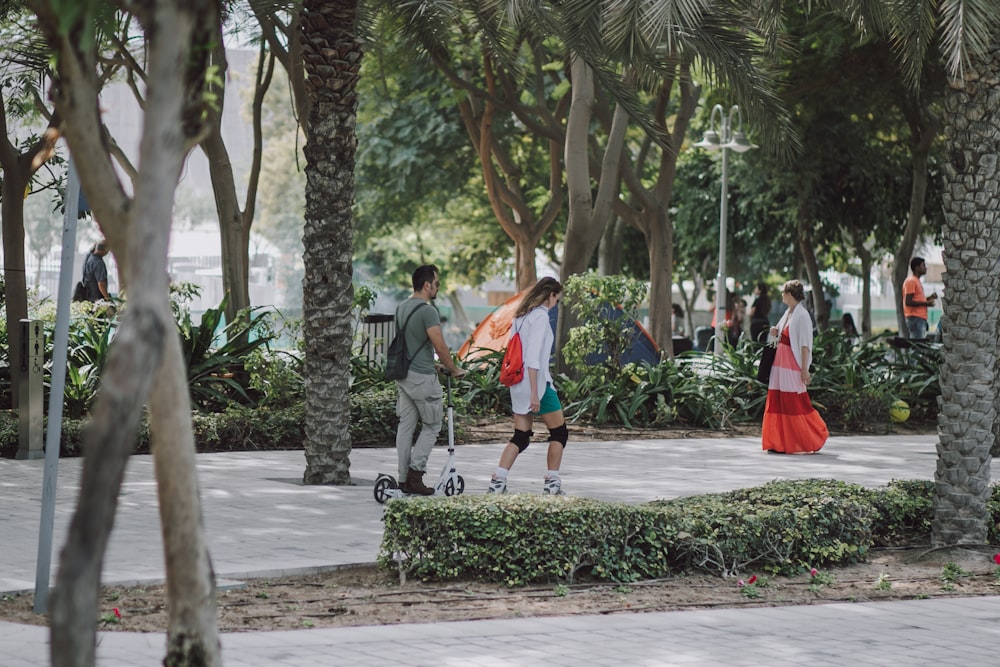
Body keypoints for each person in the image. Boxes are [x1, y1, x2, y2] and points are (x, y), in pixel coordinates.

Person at [487, 277, 568, 495]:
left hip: (518, 384)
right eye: (556, 299)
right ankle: (552, 483)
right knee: (560, 434)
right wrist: (535, 393)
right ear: (550, 295)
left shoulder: (520, 317)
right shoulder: (540, 317)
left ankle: (498, 481)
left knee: (521, 437)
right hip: (538, 385)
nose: (555, 304)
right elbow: (533, 358)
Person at [394, 264, 465, 495]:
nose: (438, 288)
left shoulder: (401, 307)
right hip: (422, 379)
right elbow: (440, 346)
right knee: (433, 425)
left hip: (403, 376)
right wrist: (453, 369)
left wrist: (432, 364)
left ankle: (403, 478)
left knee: (406, 427)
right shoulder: (428, 311)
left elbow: (411, 344)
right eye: (437, 283)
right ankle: (416, 475)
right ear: (427, 285)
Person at [762, 279, 828, 454]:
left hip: (791, 365)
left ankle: (813, 436)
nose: (781, 295)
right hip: (779, 365)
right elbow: (783, 335)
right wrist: (774, 331)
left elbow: (805, 344)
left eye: (783, 292)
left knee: (795, 403)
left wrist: (804, 369)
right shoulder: (788, 312)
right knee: (778, 401)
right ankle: (778, 442)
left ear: (789, 295)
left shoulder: (802, 315)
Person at [902, 257, 937, 340]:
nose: (926, 268)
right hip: (915, 318)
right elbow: (908, 302)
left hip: (919, 318)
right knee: (916, 346)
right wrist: (926, 303)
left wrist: (930, 298)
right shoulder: (911, 281)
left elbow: (917, 299)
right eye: (923, 265)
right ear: (917, 268)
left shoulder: (916, 281)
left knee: (918, 345)